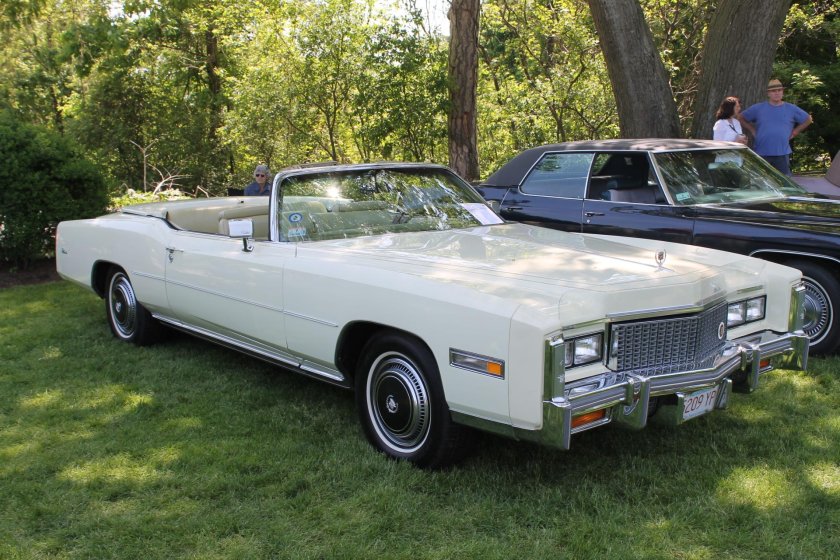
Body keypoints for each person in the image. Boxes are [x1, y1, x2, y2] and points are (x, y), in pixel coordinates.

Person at [739, 79, 813, 176]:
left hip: (782, 153)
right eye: (773, 91)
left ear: (782, 92)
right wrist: (752, 130)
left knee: (783, 182)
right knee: (761, 181)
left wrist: (795, 132)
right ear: (768, 93)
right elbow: (741, 117)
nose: (777, 93)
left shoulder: (791, 108)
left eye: (779, 90)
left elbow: (808, 119)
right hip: (762, 152)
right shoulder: (758, 108)